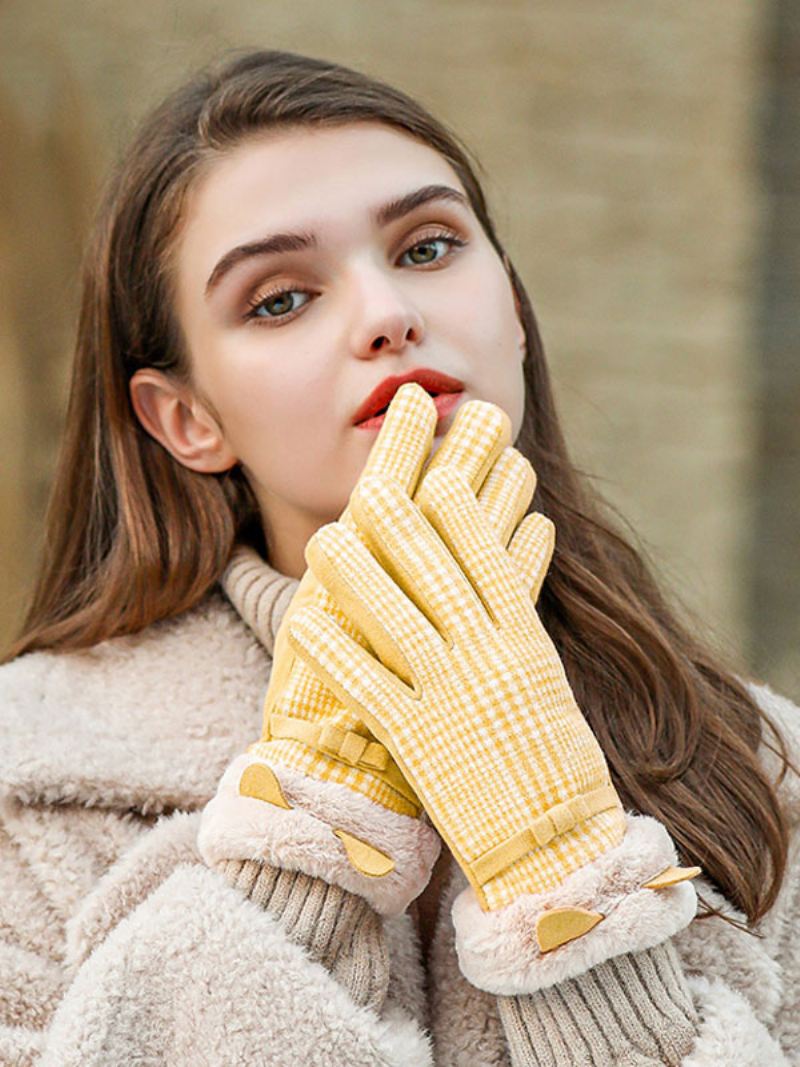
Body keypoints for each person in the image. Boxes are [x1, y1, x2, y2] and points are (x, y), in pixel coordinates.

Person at [0, 46, 797, 1067]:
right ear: (186, 417)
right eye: (279, 298)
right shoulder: (32, 776)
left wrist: (562, 880)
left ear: (510, 307)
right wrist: (313, 830)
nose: (386, 315)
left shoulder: (760, 768)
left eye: (425, 248)